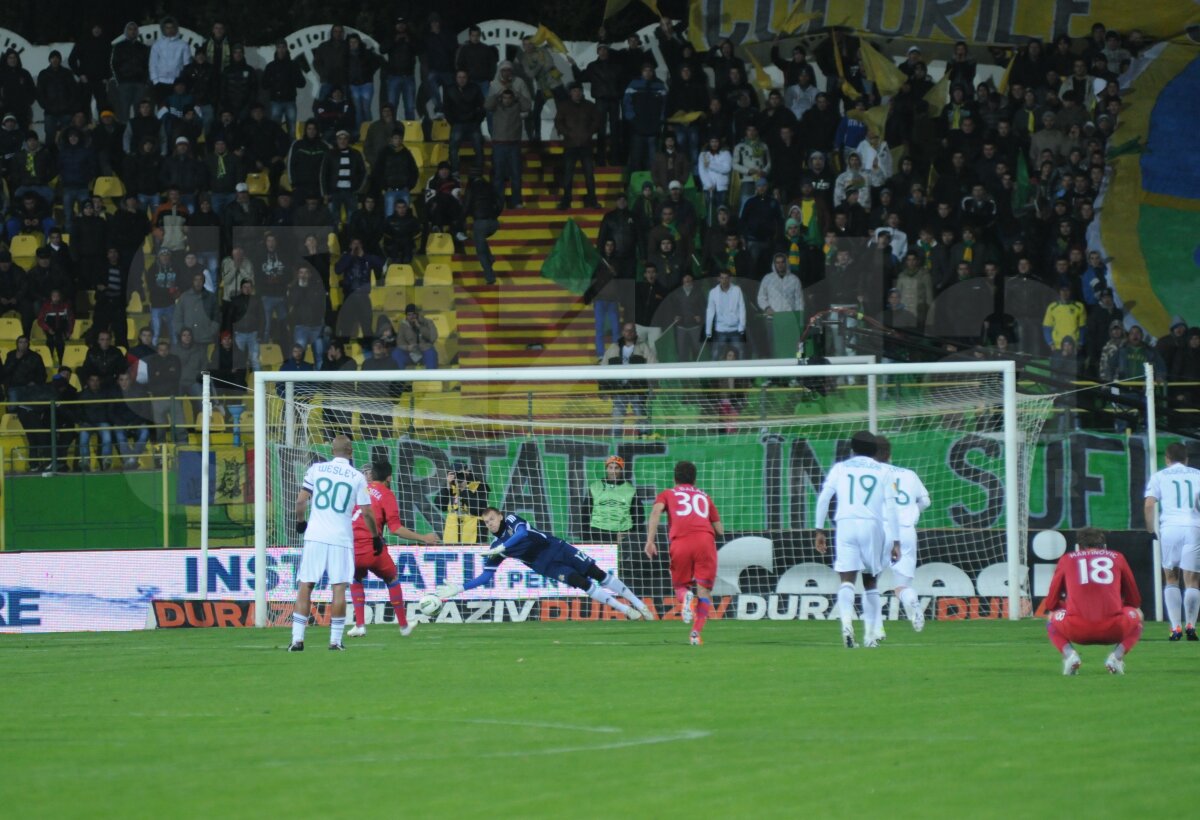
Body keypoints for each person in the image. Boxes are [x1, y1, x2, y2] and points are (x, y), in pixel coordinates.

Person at [432, 507, 651, 620]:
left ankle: (639, 604)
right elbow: (486, 576)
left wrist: (502, 547)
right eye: (486, 522)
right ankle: (626, 610)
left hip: (557, 548)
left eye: (491, 519)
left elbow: (522, 533)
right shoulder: (496, 547)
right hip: (546, 566)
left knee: (598, 573)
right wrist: (459, 588)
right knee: (581, 583)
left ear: (499, 516)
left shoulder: (511, 521)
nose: (489, 524)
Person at [813, 431, 901, 649]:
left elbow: (824, 498)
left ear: (852, 448)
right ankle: (871, 636)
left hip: (845, 525)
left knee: (847, 580)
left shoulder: (840, 468)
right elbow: (891, 507)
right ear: (875, 450)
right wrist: (896, 541)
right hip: (872, 525)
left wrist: (818, 530)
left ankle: (846, 625)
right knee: (870, 582)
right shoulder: (884, 471)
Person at [290, 435, 377, 652]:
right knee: (339, 588)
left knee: (305, 586)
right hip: (341, 538)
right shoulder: (358, 477)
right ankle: (335, 641)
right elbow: (366, 512)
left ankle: (297, 640)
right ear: (351, 452)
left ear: (332, 451)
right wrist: (375, 536)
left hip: (315, 535)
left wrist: (300, 523)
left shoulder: (316, 470)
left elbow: (301, 501)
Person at [346, 460, 439, 639]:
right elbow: (395, 528)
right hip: (372, 546)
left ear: (371, 475)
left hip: (351, 546)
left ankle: (359, 625)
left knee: (355, 578)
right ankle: (404, 626)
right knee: (392, 578)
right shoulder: (386, 494)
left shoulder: (360, 490)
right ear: (389, 478)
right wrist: (423, 538)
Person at [644, 460, 724, 645]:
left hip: (681, 542)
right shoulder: (705, 496)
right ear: (694, 479)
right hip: (705, 540)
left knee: (681, 586)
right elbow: (720, 530)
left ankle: (686, 598)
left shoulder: (668, 494)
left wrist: (650, 541)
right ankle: (695, 633)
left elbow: (656, 512)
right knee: (704, 590)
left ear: (675, 477)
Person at [1045, 527, 1144, 675]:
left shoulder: (1067, 559)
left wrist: (1065, 606)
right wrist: (1118, 604)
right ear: (1104, 547)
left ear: (1078, 547)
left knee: (1051, 617)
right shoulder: (1117, 557)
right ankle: (1116, 657)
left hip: (1076, 630)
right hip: (1114, 628)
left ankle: (1070, 655)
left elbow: (1051, 603)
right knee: (1138, 615)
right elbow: (1134, 600)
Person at [1144, 442, 1200, 640]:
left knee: (1171, 577)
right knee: (1192, 579)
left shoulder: (1159, 476)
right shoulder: (1197, 474)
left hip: (1170, 529)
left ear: (1167, 459)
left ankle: (1176, 627)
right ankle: (1191, 625)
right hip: (1194, 527)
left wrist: (1151, 530)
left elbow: (1150, 504)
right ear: (1186, 459)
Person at [874, 436, 930, 632]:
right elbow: (925, 501)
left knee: (870, 582)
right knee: (901, 587)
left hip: (880, 529)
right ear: (889, 454)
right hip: (906, 531)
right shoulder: (909, 474)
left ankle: (874, 629)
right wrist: (910, 511)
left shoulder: (870, 474)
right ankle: (913, 603)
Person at [554, 83, 602, 210]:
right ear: (570, 93)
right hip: (570, 144)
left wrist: (589, 133)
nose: (577, 93)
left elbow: (597, 121)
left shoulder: (589, 106)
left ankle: (592, 200)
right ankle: (566, 201)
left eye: (579, 90)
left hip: (586, 144)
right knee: (568, 175)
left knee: (589, 174)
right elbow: (558, 122)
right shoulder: (564, 106)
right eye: (574, 90)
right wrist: (567, 133)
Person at [587, 455, 643, 561]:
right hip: (598, 532)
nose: (613, 471)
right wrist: (585, 536)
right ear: (606, 469)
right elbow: (586, 512)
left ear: (621, 470)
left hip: (622, 533)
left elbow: (638, 515)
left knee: (621, 565)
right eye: (610, 467)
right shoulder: (595, 487)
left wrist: (633, 535)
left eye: (616, 468)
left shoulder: (630, 489)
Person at [436, 466, 489, 544]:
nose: (459, 476)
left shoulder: (480, 486)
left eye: (462, 473)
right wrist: (447, 486)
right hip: (451, 538)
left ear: (468, 472)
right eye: (456, 474)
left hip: (474, 537)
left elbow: (475, 509)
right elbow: (440, 505)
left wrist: (464, 489)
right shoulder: (451, 488)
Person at [705, 271, 746, 360]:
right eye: (722, 278)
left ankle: (742, 374)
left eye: (726, 278)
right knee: (715, 353)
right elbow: (710, 311)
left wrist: (741, 326)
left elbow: (742, 308)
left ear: (730, 279)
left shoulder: (737, 290)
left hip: (735, 328)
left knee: (740, 352)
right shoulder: (713, 292)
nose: (724, 280)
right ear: (718, 279)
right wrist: (708, 330)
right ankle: (715, 373)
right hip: (720, 329)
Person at [397, 303, 438, 369]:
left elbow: (433, 338)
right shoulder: (403, 325)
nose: (411, 317)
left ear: (417, 314)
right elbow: (400, 342)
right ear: (406, 316)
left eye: (413, 314)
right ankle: (399, 378)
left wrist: (420, 327)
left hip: (425, 351)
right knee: (397, 353)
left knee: (431, 352)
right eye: (409, 315)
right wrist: (407, 347)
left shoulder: (428, 322)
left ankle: (431, 378)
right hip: (411, 353)